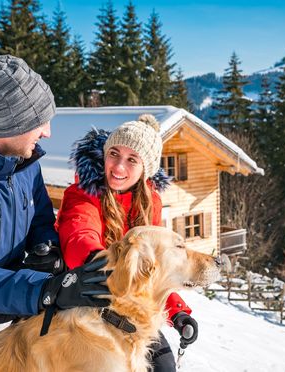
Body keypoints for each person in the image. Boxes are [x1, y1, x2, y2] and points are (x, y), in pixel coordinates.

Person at [55, 114, 199, 372]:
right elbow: (79, 234)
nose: (118, 167)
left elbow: (155, 268)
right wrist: (103, 263)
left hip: (130, 306)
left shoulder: (150, 203)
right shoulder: (84, 193)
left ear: (146, 169)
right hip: (88, 299)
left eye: (132, 160)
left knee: (164, 365)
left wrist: (177, 312)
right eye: (114, 154)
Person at [0, 55, 110, 328]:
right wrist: (43, 290)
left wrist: (47, 249)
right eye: (38, 122)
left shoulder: (25, 163)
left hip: (11, 288)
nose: (48, 132)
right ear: (7, 124)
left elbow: (39, 216)